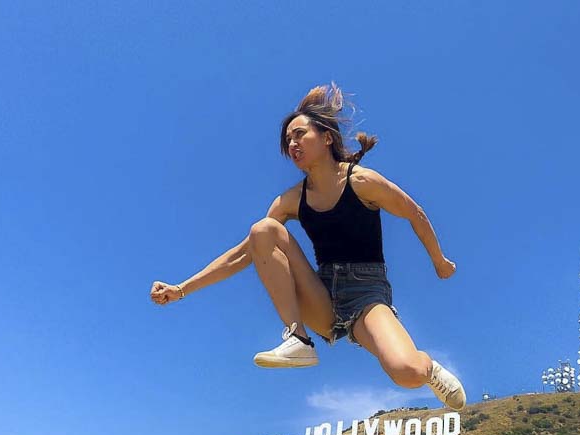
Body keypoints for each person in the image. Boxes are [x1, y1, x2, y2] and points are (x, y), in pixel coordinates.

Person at [150, 83, 466, 410]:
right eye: (288, 140)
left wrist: (439, 260)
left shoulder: (362, 181)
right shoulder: (290, 200)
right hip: (321, 295)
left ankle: (429, 369)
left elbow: (414, 213)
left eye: (299, 135)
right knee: (264, 229)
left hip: (367, 293)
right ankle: (298, 339)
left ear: (327, 137)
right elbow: (245, 253)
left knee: (407, 372)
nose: (292, 144)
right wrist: (182, 289)